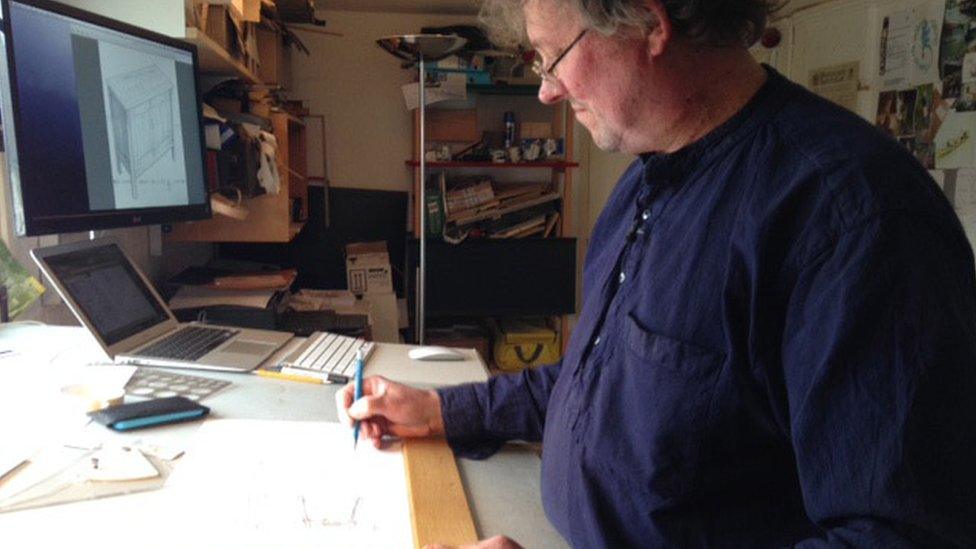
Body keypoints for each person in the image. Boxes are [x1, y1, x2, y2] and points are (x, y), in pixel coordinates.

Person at [338, 0, 976, 546]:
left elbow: (895, 534)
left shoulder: (854, 219)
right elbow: (600, 380)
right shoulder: (646, 181)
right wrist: (443, 410)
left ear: (648, 22)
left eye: (554, 56)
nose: (547, 90)